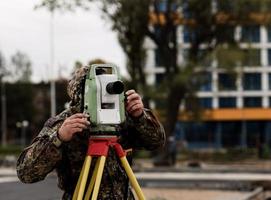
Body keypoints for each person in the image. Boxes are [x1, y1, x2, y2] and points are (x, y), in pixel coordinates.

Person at [16, 66, 166, 200]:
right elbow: (26, 172)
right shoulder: (64, 124)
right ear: (82, 94)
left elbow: (157, 142)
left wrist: (140, 116)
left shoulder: (121, 117)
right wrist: (58, 138)